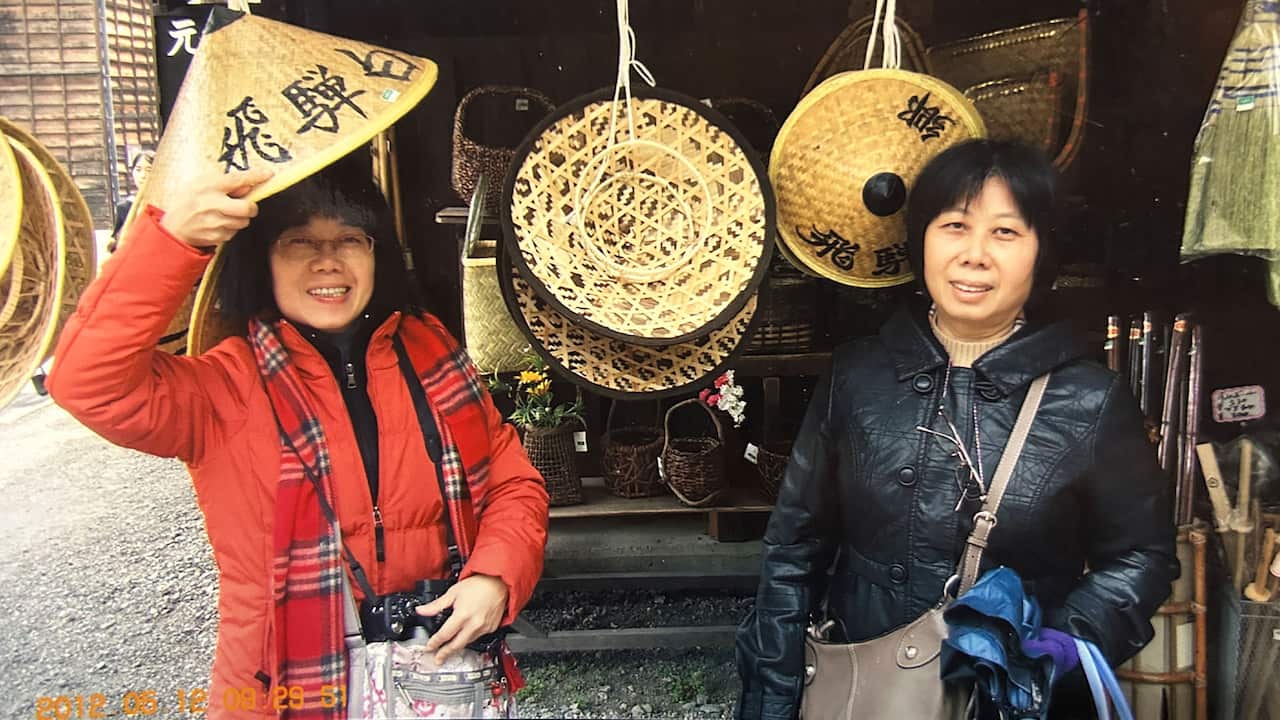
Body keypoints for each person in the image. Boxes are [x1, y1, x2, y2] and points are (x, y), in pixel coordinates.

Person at [47, 159, 550, 719]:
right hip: (280, 687)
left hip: (439, 676)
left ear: (376, 253)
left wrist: (494, 575)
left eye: (350, 239)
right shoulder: (224, 387)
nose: (327, 261)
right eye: (299, 241)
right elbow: (86, 383)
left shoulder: (432, 352)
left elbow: (513, 483)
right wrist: (171, 242)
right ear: (262, 260)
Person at [734, 139, 1179, 720]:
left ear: (1041, 252)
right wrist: (771, 698)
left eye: (1005, 232)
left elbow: (1141, 555)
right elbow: (794, 548)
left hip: (1012, 698)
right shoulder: (857, 376)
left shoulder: (1090, 399)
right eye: (954, 226)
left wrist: (1067, 639)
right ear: (921, 239)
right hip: (864, 684)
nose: (975, 254)